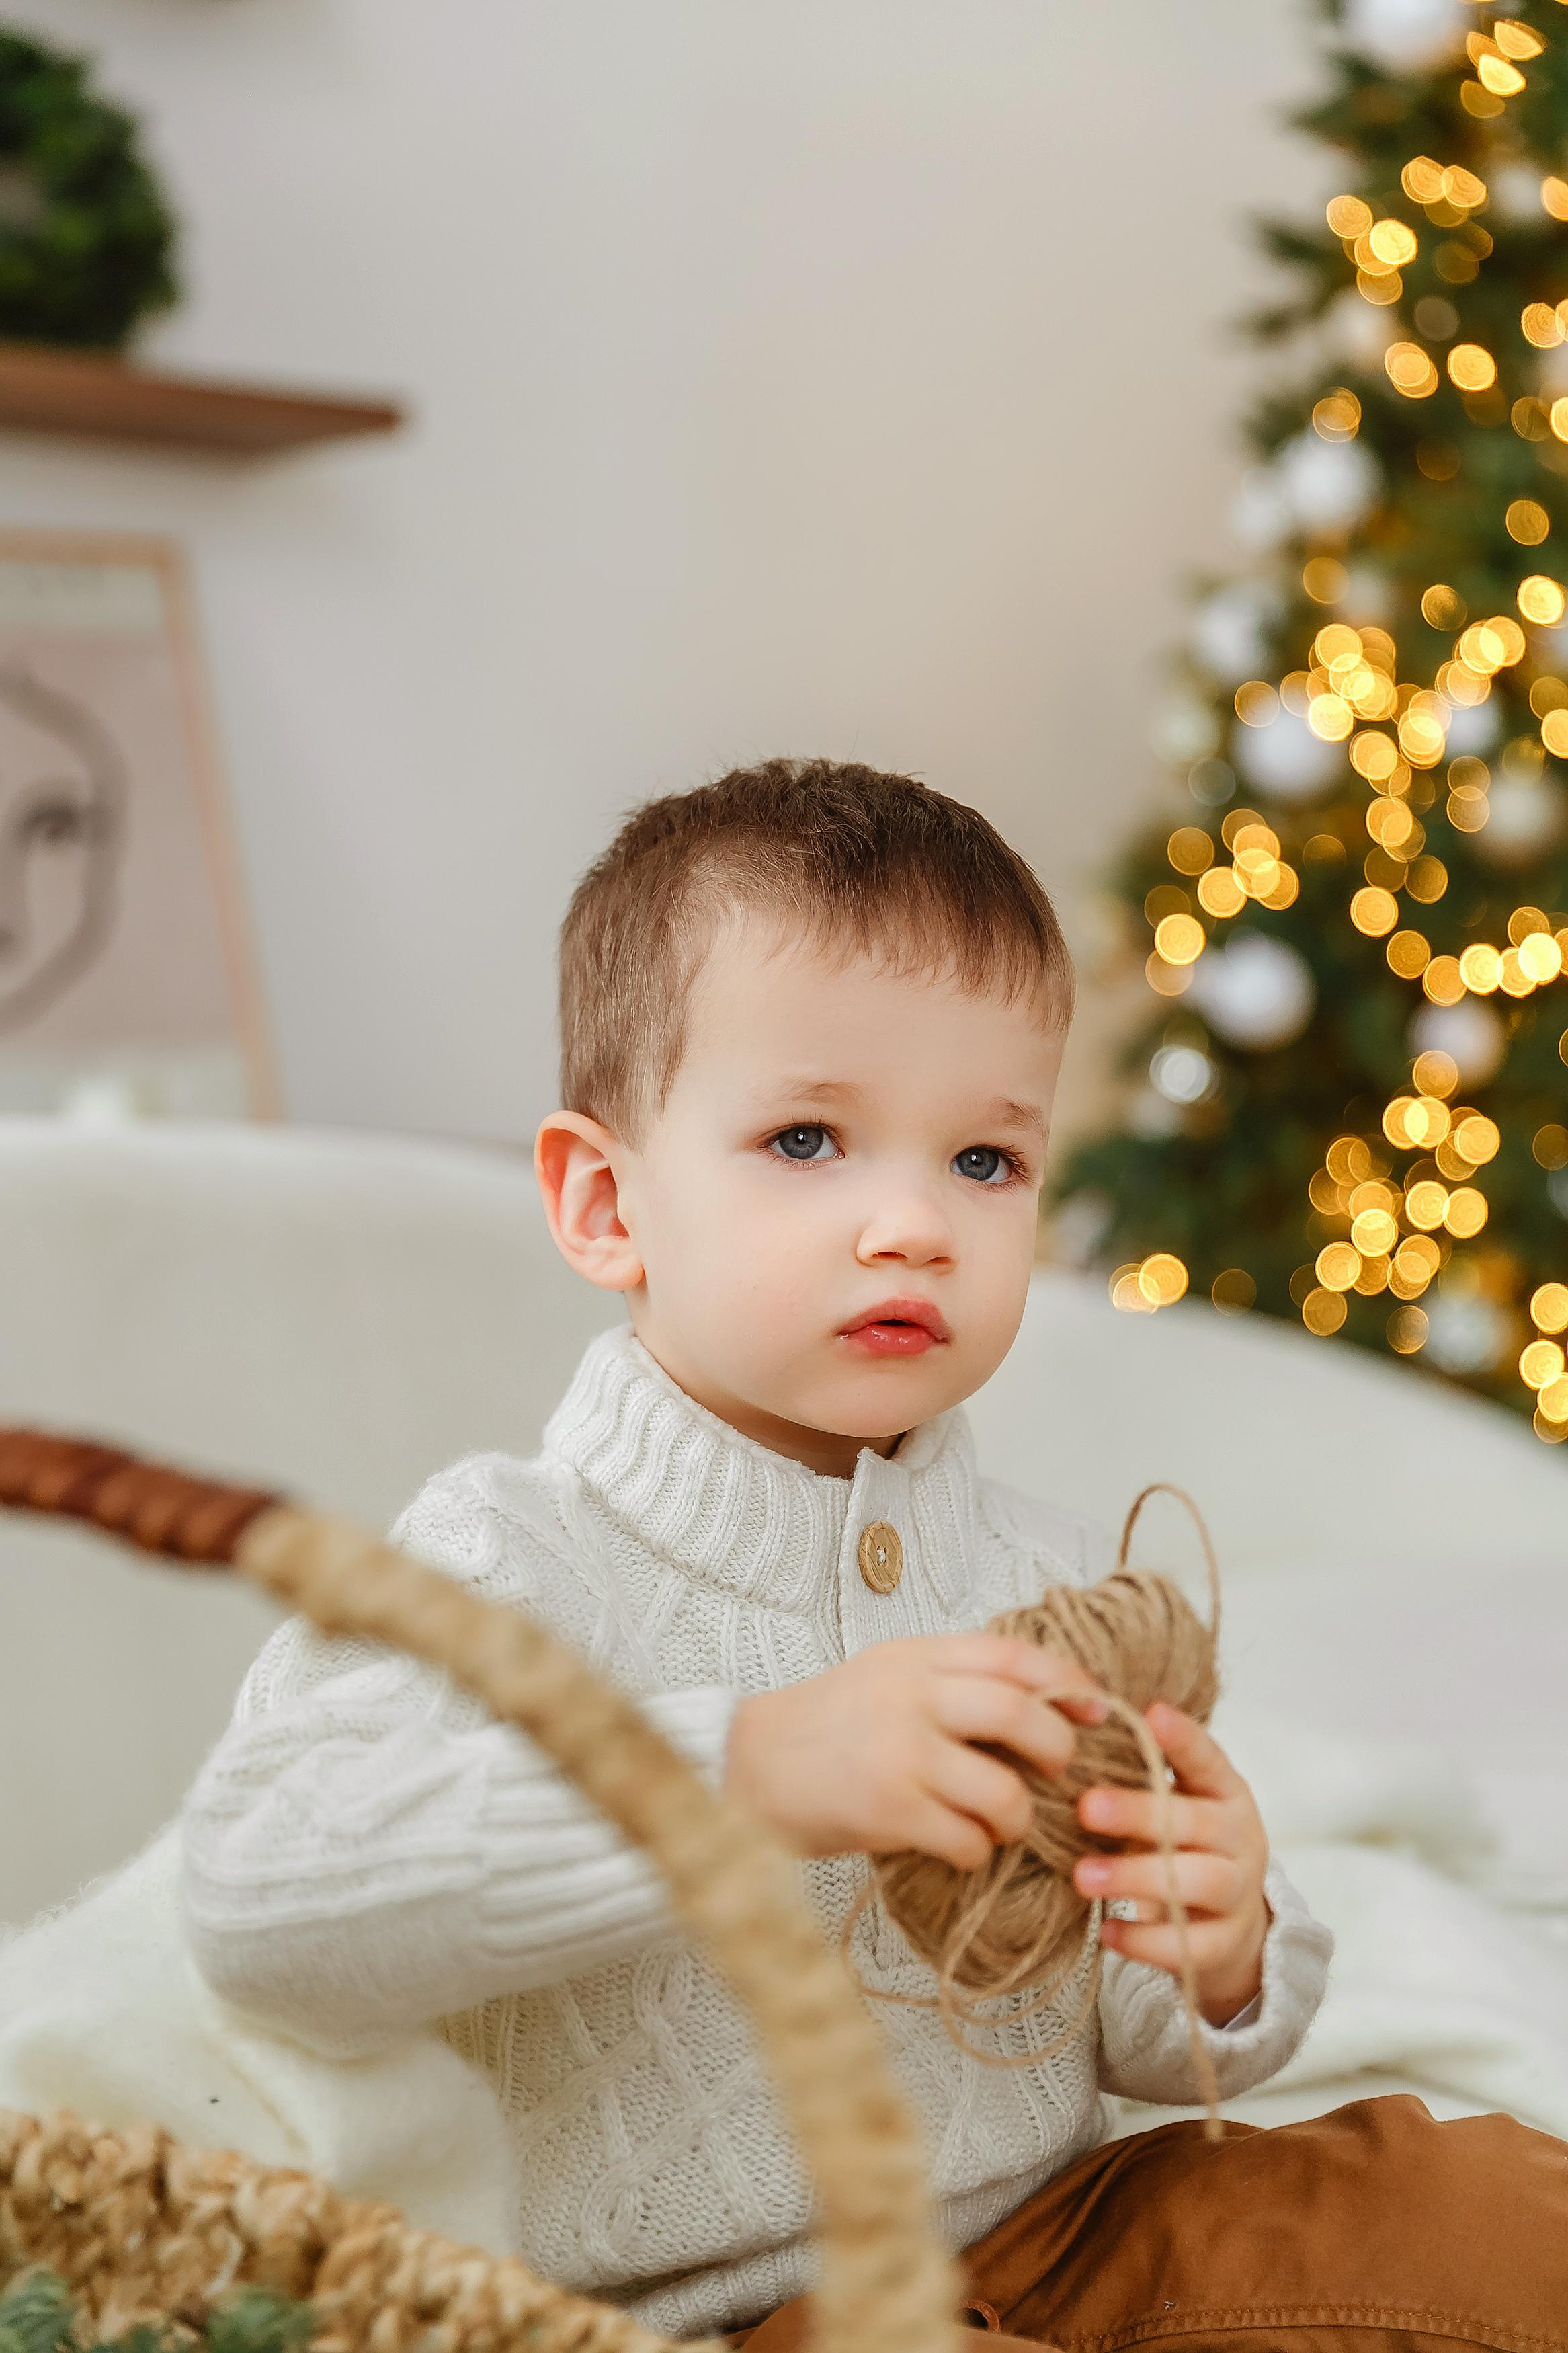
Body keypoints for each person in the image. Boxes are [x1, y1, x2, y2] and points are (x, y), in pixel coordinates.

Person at [179, 760, 1566, 2350]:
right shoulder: (506, 1553)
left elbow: (1119, 2026)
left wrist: (1226, 1947)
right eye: (808, 1137)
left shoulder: (1038, 1567)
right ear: (602, 1200)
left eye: (985, 1161)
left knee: (1496, 2211)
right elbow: (260, 1889)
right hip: (696, 2312)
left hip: (1059, 2230)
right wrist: (745, 1766)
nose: (913, 1222)